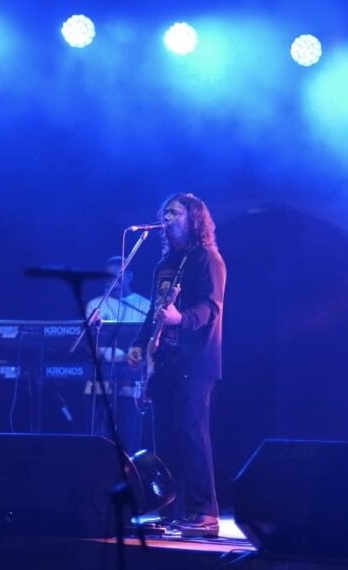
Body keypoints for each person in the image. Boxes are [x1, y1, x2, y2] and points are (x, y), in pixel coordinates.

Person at [128, 193, 226, 537]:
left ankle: (204, 511)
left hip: (195, 361)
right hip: (164, 362)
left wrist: (179, 318)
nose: (167, 218)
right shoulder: (165, 264)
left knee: (192, 435)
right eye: (165, 212)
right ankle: (168, 509)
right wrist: (139, 343)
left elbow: (210, 308)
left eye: (175, 212)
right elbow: (154, 310)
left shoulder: (207, 259)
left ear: (193, 219)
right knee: (165, 438)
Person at [84, 256, 152, 452]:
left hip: (132, 377)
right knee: (98, 433)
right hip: (101, 377)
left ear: (129, 276)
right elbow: (90, 345)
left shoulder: (144, 305)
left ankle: (129, 467)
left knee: (129, 435)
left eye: (119, 277)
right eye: (109, 277)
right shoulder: (95, 305)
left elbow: (149, 342)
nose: (114, 282)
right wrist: (121, 355)